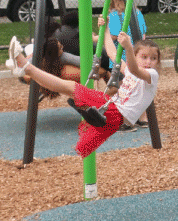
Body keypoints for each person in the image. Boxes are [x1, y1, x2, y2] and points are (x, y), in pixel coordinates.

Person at [9, 31, 160, 158]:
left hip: (115, 112)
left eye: (153, 58)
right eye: (144, 57)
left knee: (71, 88)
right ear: (136, 56)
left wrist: (127, 47)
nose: (149, 62)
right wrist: (106, 29)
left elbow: (135, 70)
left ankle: (26, 68)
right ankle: (24, 69)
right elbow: (112, 53)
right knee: (82, 149)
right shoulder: (129, 70)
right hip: (111, 113)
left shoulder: (151, 75)